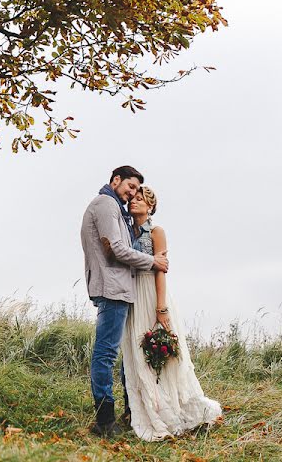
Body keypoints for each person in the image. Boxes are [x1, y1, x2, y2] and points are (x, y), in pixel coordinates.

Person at [121, 186, 222, 440]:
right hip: (133, 296)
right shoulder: (126, 231)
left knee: (161, 354)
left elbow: (161, 271)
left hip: (152, 294)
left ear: (150, 206)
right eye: (133, 198)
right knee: (137, 354)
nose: (134, 202)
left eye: (140, 199)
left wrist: (161, 307)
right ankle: (144, 408)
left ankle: (174, 410)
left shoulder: (156, 232)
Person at [80, 166, 170, 437]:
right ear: (115, 180)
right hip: (113, 288)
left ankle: (130, 409)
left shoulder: (116, 208)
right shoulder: (106, 204)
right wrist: (153, 261)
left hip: (119, 288)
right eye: (130, 186)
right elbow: (117, 249)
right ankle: (104, 420)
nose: (132, 193)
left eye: (136, 190)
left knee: (122, 354)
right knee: (106, 353)